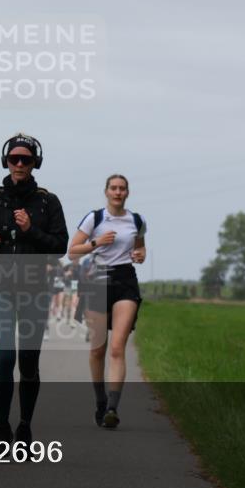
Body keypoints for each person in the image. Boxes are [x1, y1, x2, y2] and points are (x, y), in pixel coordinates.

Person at [0, 133, 68, 451]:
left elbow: (60, 245)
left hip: (34, 287)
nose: (19, 164)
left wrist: (31, 230)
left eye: (25, 159)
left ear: (34, 163)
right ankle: (2, 429)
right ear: (6, 161)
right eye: (14, 158)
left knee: (28, 361)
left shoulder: (48, 201)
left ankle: (24, 426)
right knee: (5, 356)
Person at [68, 174, 147, 429]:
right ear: (106, 192)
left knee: (117, 348)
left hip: (125, 280)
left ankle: (113, 407)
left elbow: (140, 248)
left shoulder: (137, 220)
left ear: (127, 193)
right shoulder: (95, 218)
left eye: (122, 188)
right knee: (98, 349)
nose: (118, 192)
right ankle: (100, 401)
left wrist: (140, 255)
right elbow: (72, 251)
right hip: (97, 279)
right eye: (113, 188)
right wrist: (96, 242)